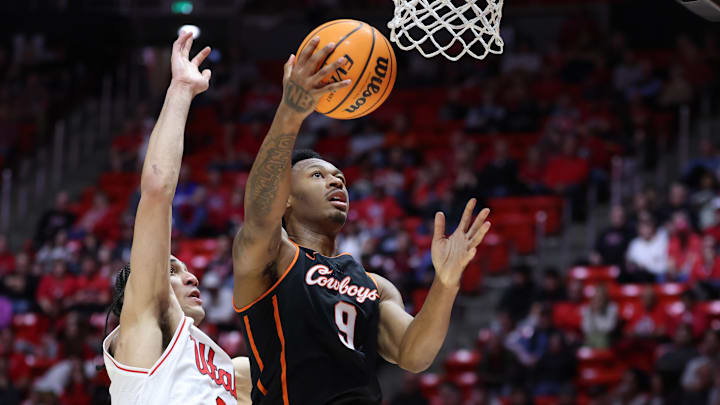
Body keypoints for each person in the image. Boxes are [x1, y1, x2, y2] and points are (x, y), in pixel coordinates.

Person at [232, 37, 492, 404]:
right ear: (286, 198)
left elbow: (414, 354)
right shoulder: (271, 260)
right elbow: (259, 215)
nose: (336, 180)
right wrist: (291, 112)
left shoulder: (374, 285)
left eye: (340, 176)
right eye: (318, 176)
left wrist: (446, 283)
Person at [100, 32, 250, 405]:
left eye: (183, 269)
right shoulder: (143, 331)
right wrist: (181, 90)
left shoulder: (229, 370)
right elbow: (156, 192)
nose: (191, 275)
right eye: (173, 271)